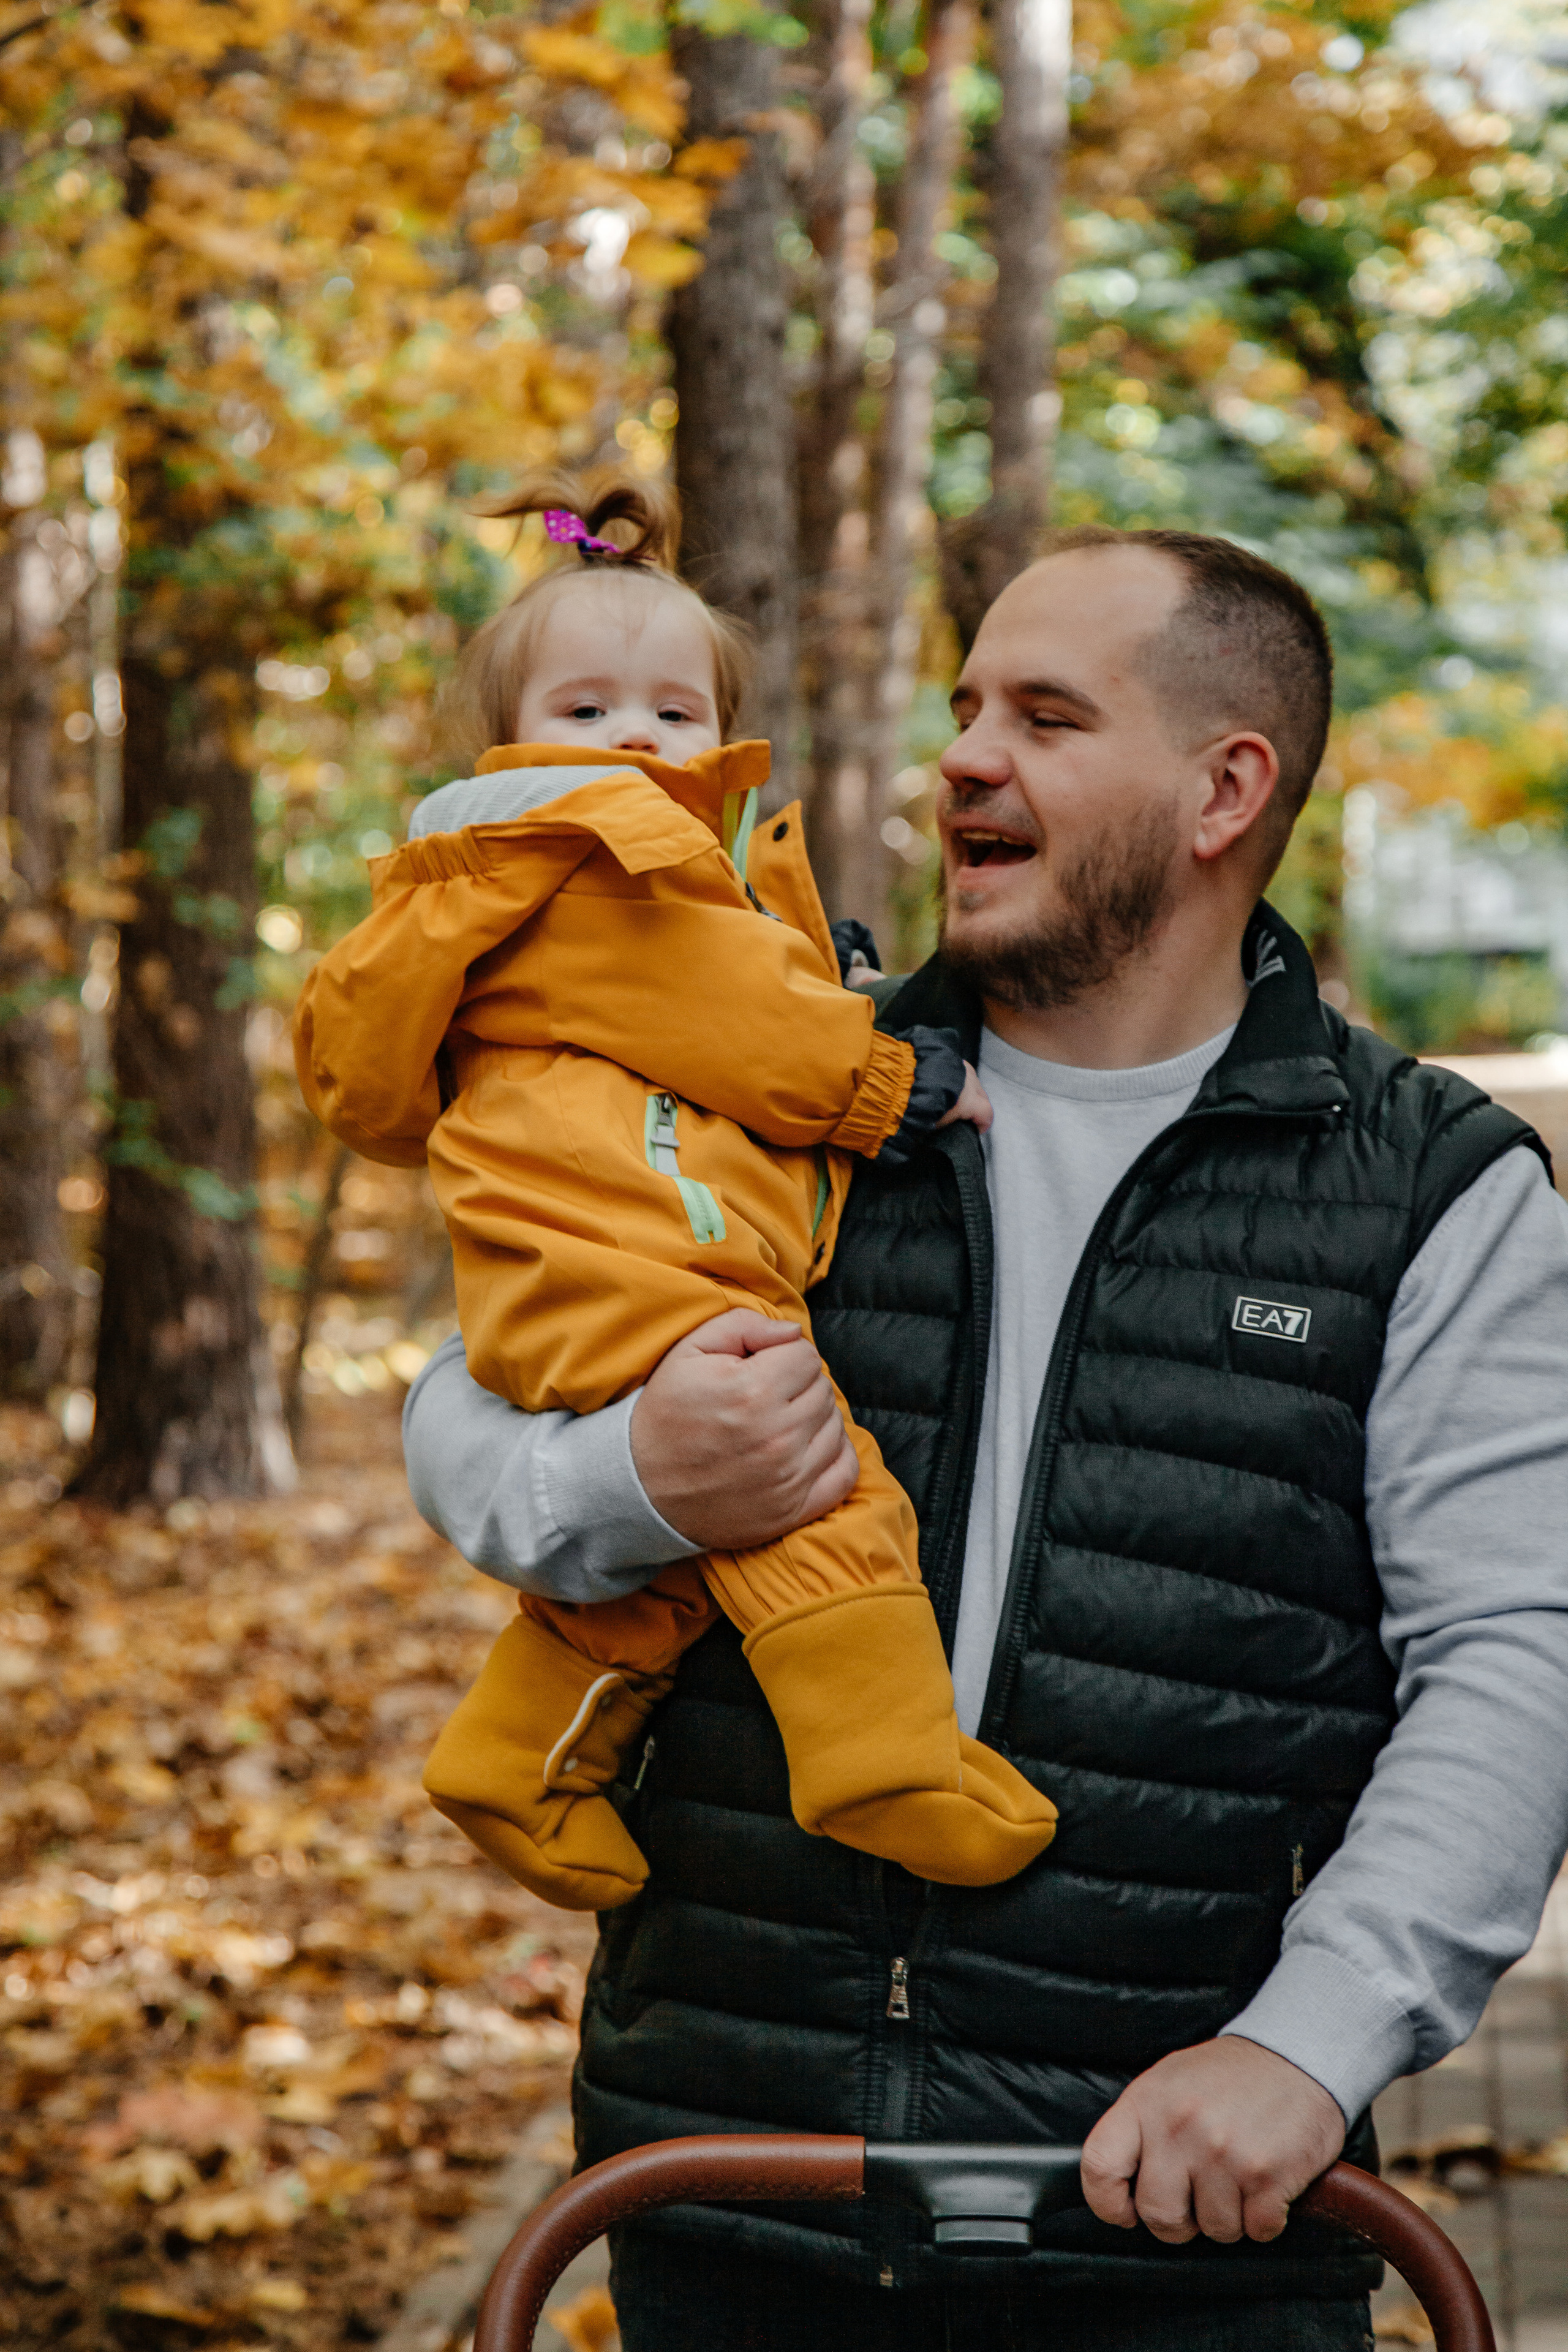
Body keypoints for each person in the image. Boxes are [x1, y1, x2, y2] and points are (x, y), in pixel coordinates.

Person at [404, 524, 1568, 2350]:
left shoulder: (1430, 1192)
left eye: (1042, 714)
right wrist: (638, 1483)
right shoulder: (794, 1081)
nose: (960, 759)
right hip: (733, 2197)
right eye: (963, 708)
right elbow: (464, 1407)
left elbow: (1517, 1653)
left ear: (1222, 789)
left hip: (1180, 2228)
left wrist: (1306, 2044)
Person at [294, 473, 1056, 1915]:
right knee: (814, 1492)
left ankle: (518, 1756)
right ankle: (882, 1757)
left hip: (568, 1271)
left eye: (671, 711)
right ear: (508, 744)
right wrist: (892, 1082)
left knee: (663, 1574)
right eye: (582, 712)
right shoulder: (596, 861)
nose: (633, 737)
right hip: (635, 1260)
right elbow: (741, 1028)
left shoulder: (504, 880)